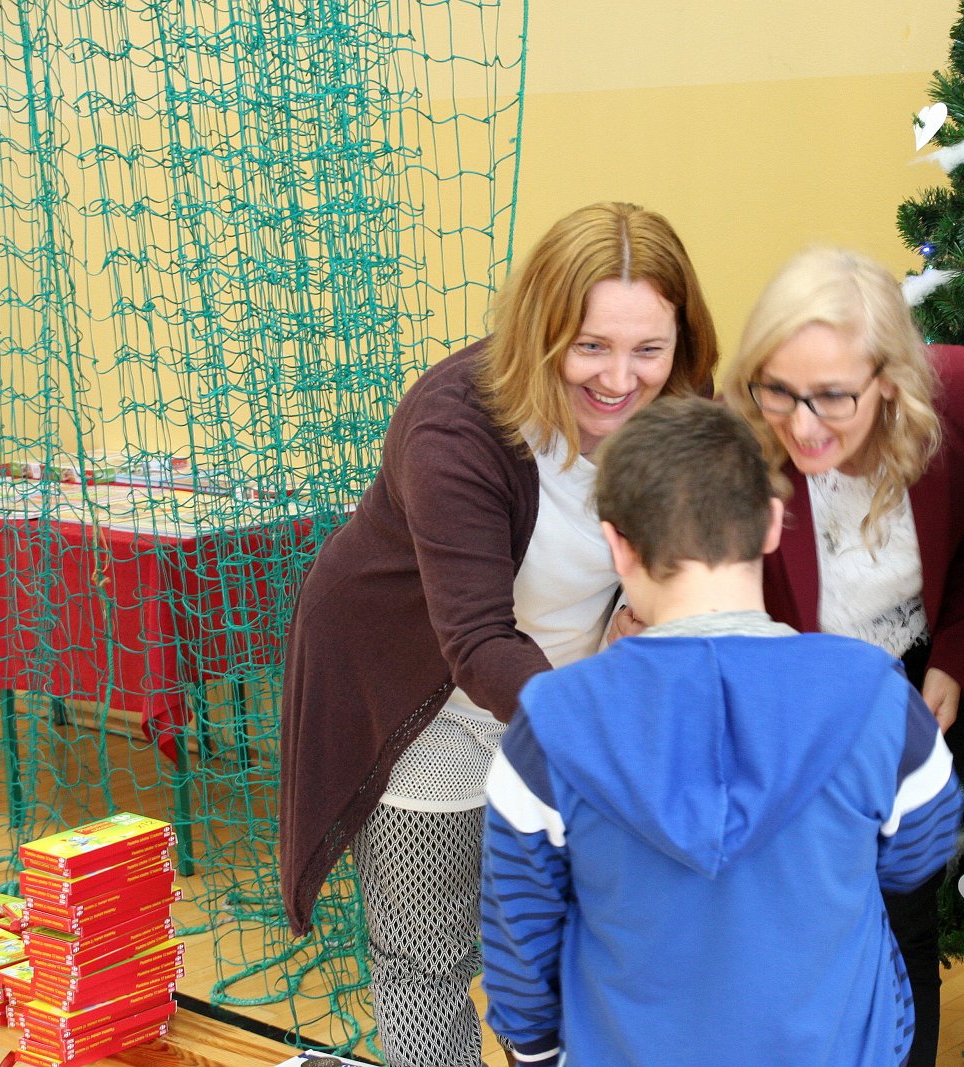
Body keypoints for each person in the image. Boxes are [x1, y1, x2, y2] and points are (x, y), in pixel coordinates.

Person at [278, 202, 718, 1067]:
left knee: (575, 946)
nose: (620, 378)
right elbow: (478, 640)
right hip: (422, 695)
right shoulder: (456, 423)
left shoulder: (684, 408)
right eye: (590, 345)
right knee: (424, 953)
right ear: (539, 331)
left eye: (649, 349)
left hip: (569, 689)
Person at [479, 397, 962, 1066]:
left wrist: (537, 1052)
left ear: (617, 544)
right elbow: (918, 852)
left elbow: (519, 935)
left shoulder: (550, 721)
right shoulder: (876, 693)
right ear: (772, 523)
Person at [718, 246, 964, 1067]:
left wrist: (950, 661)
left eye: (834, 396)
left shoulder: (959, 395)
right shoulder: (736, 443)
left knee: (902, 918)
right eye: (779, 390)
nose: (803, 424)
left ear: (889, 379)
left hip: (906, 691)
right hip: (779, 705)